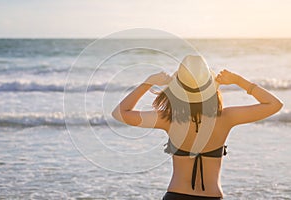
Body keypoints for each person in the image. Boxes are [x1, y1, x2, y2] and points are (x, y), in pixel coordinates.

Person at [112, 55, 283, 199]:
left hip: (176, 195)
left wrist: (147, 83)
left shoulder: (168, 118)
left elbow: (120, 113)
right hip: (212, 196)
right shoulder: (226, 118)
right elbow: (274, 104)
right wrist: (239, 81)